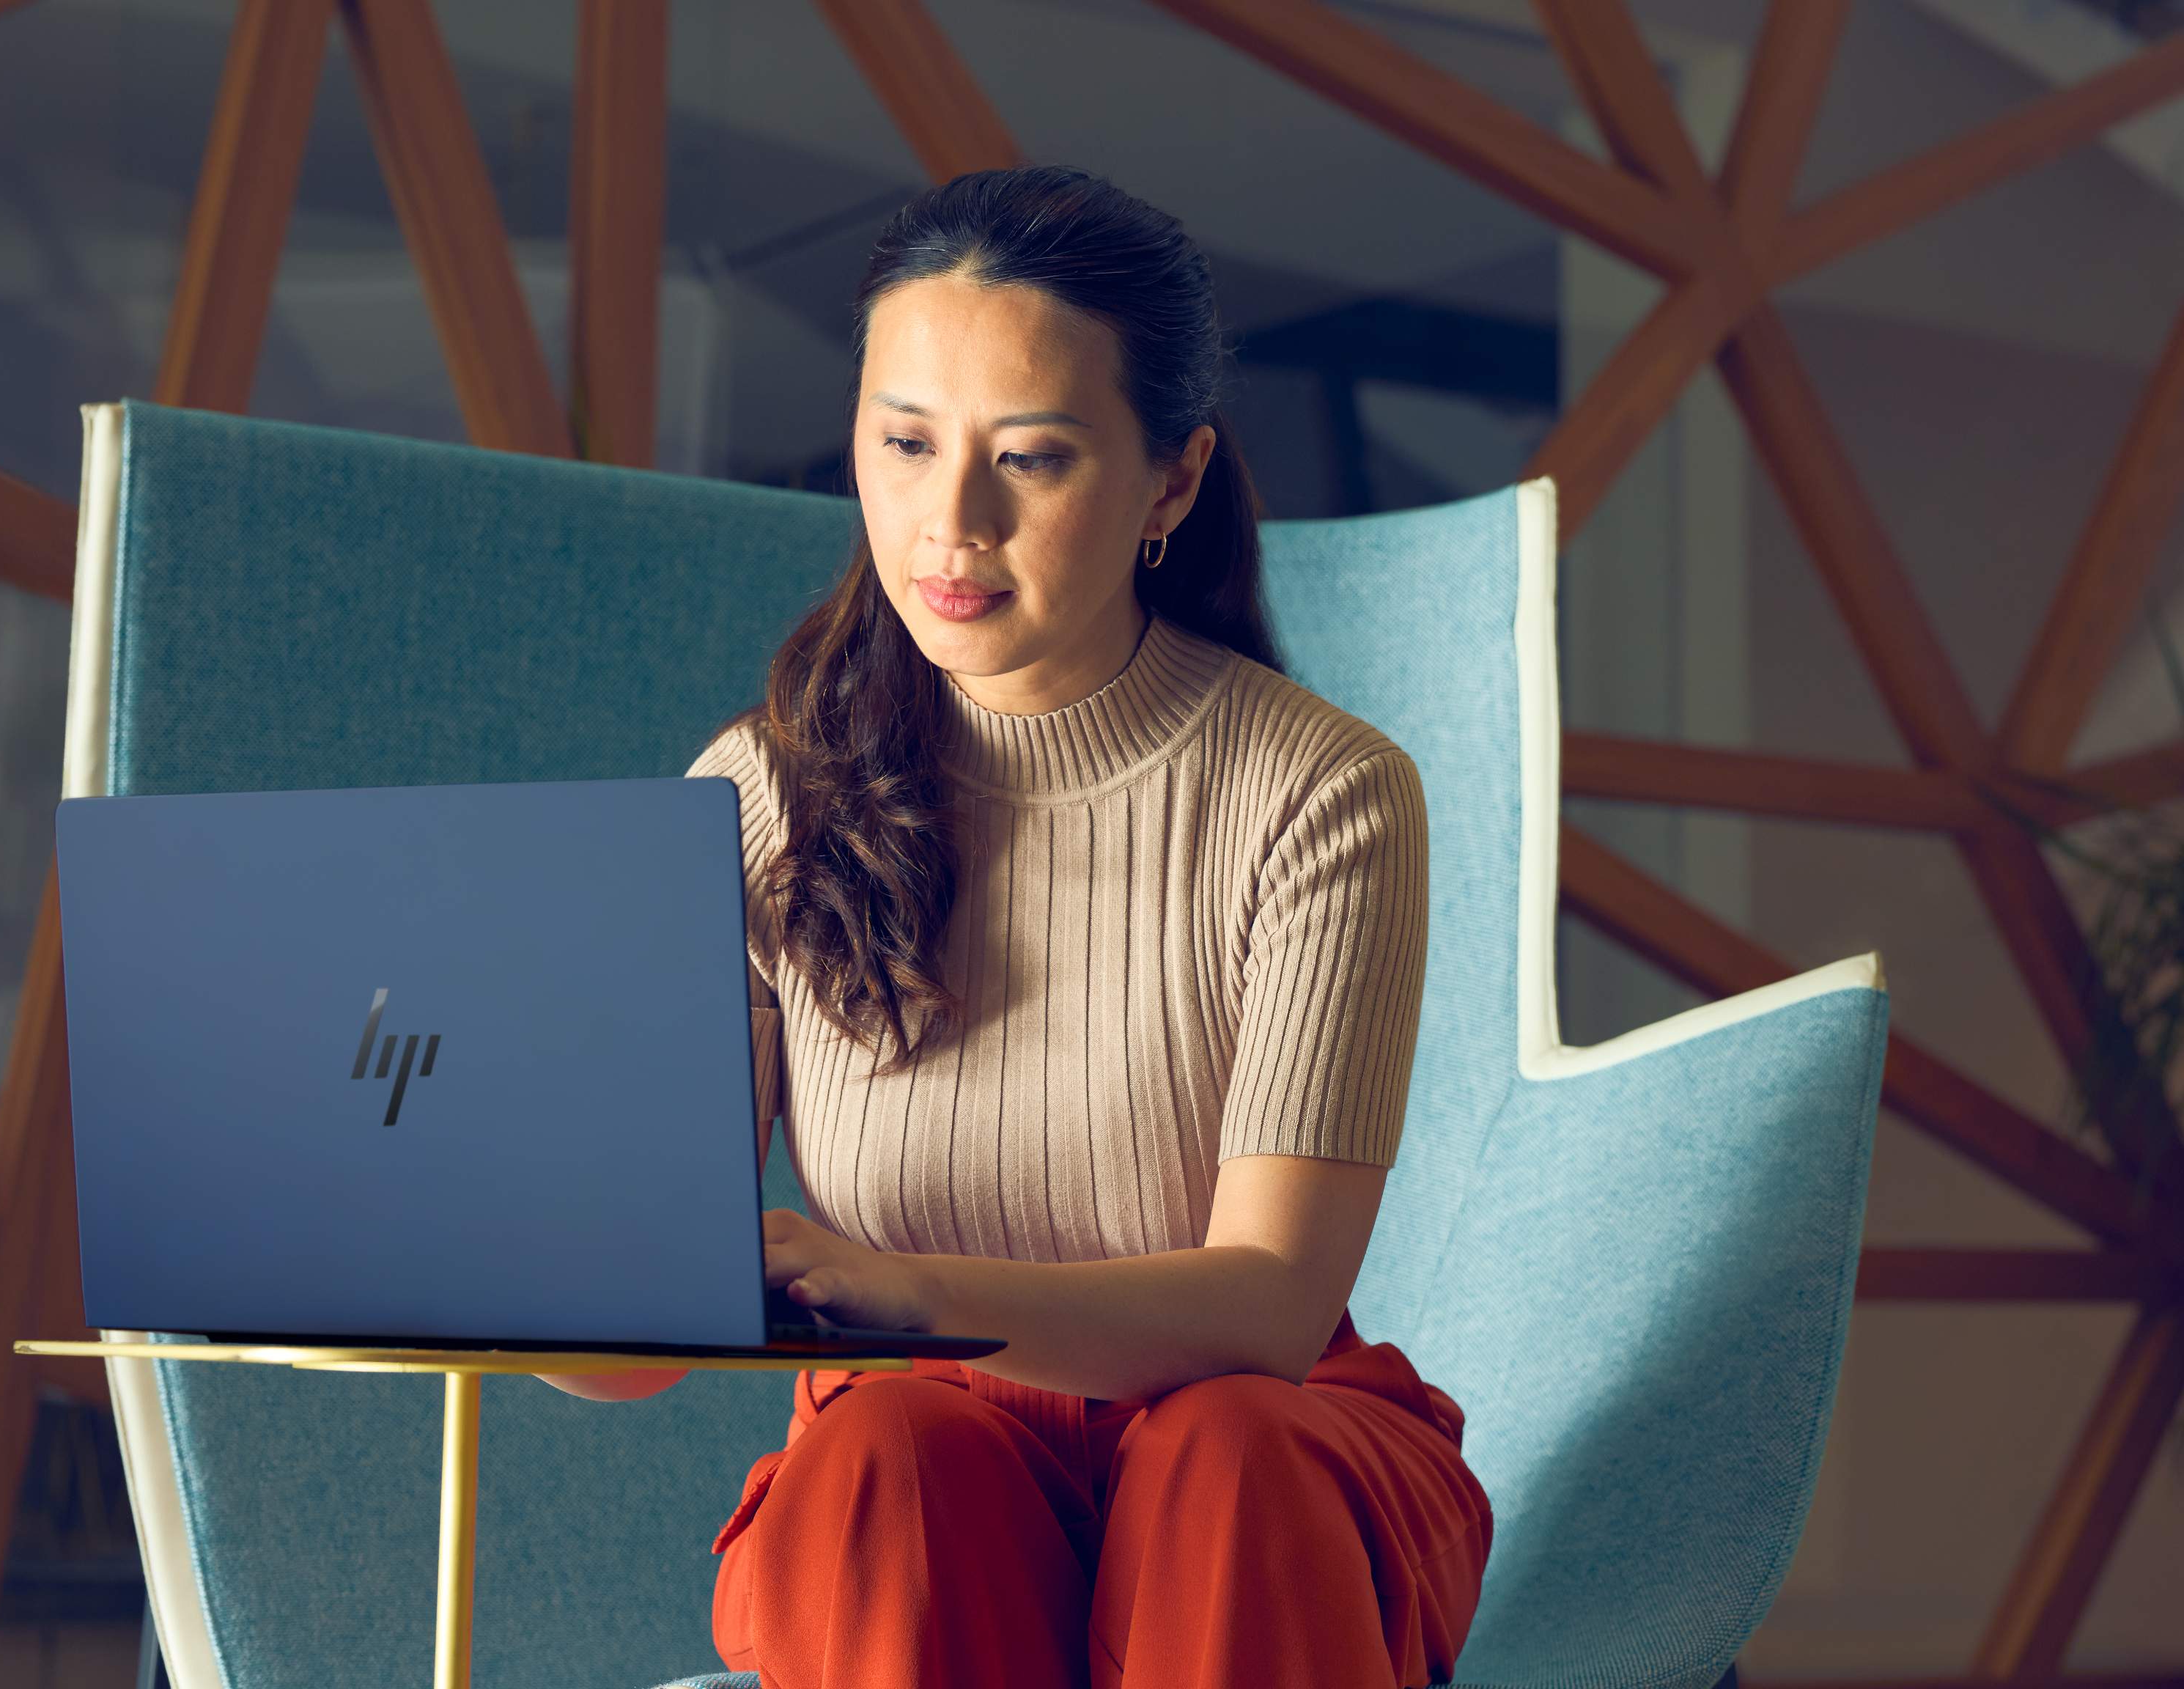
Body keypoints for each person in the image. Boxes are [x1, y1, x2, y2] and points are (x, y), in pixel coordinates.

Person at [544, 163, 1488, 1689]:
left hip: (1276, 1465)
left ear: (1169, 484)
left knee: (1225, 1453)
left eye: (1030, 460)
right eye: (903, 443)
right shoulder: (759, 796)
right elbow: (628, 1363)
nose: (949, 523)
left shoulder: (1320, 792)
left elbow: (1268, 1303)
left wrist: (923, 1292)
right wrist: (521, 1256)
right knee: (893, 1451)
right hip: (919, 1474)